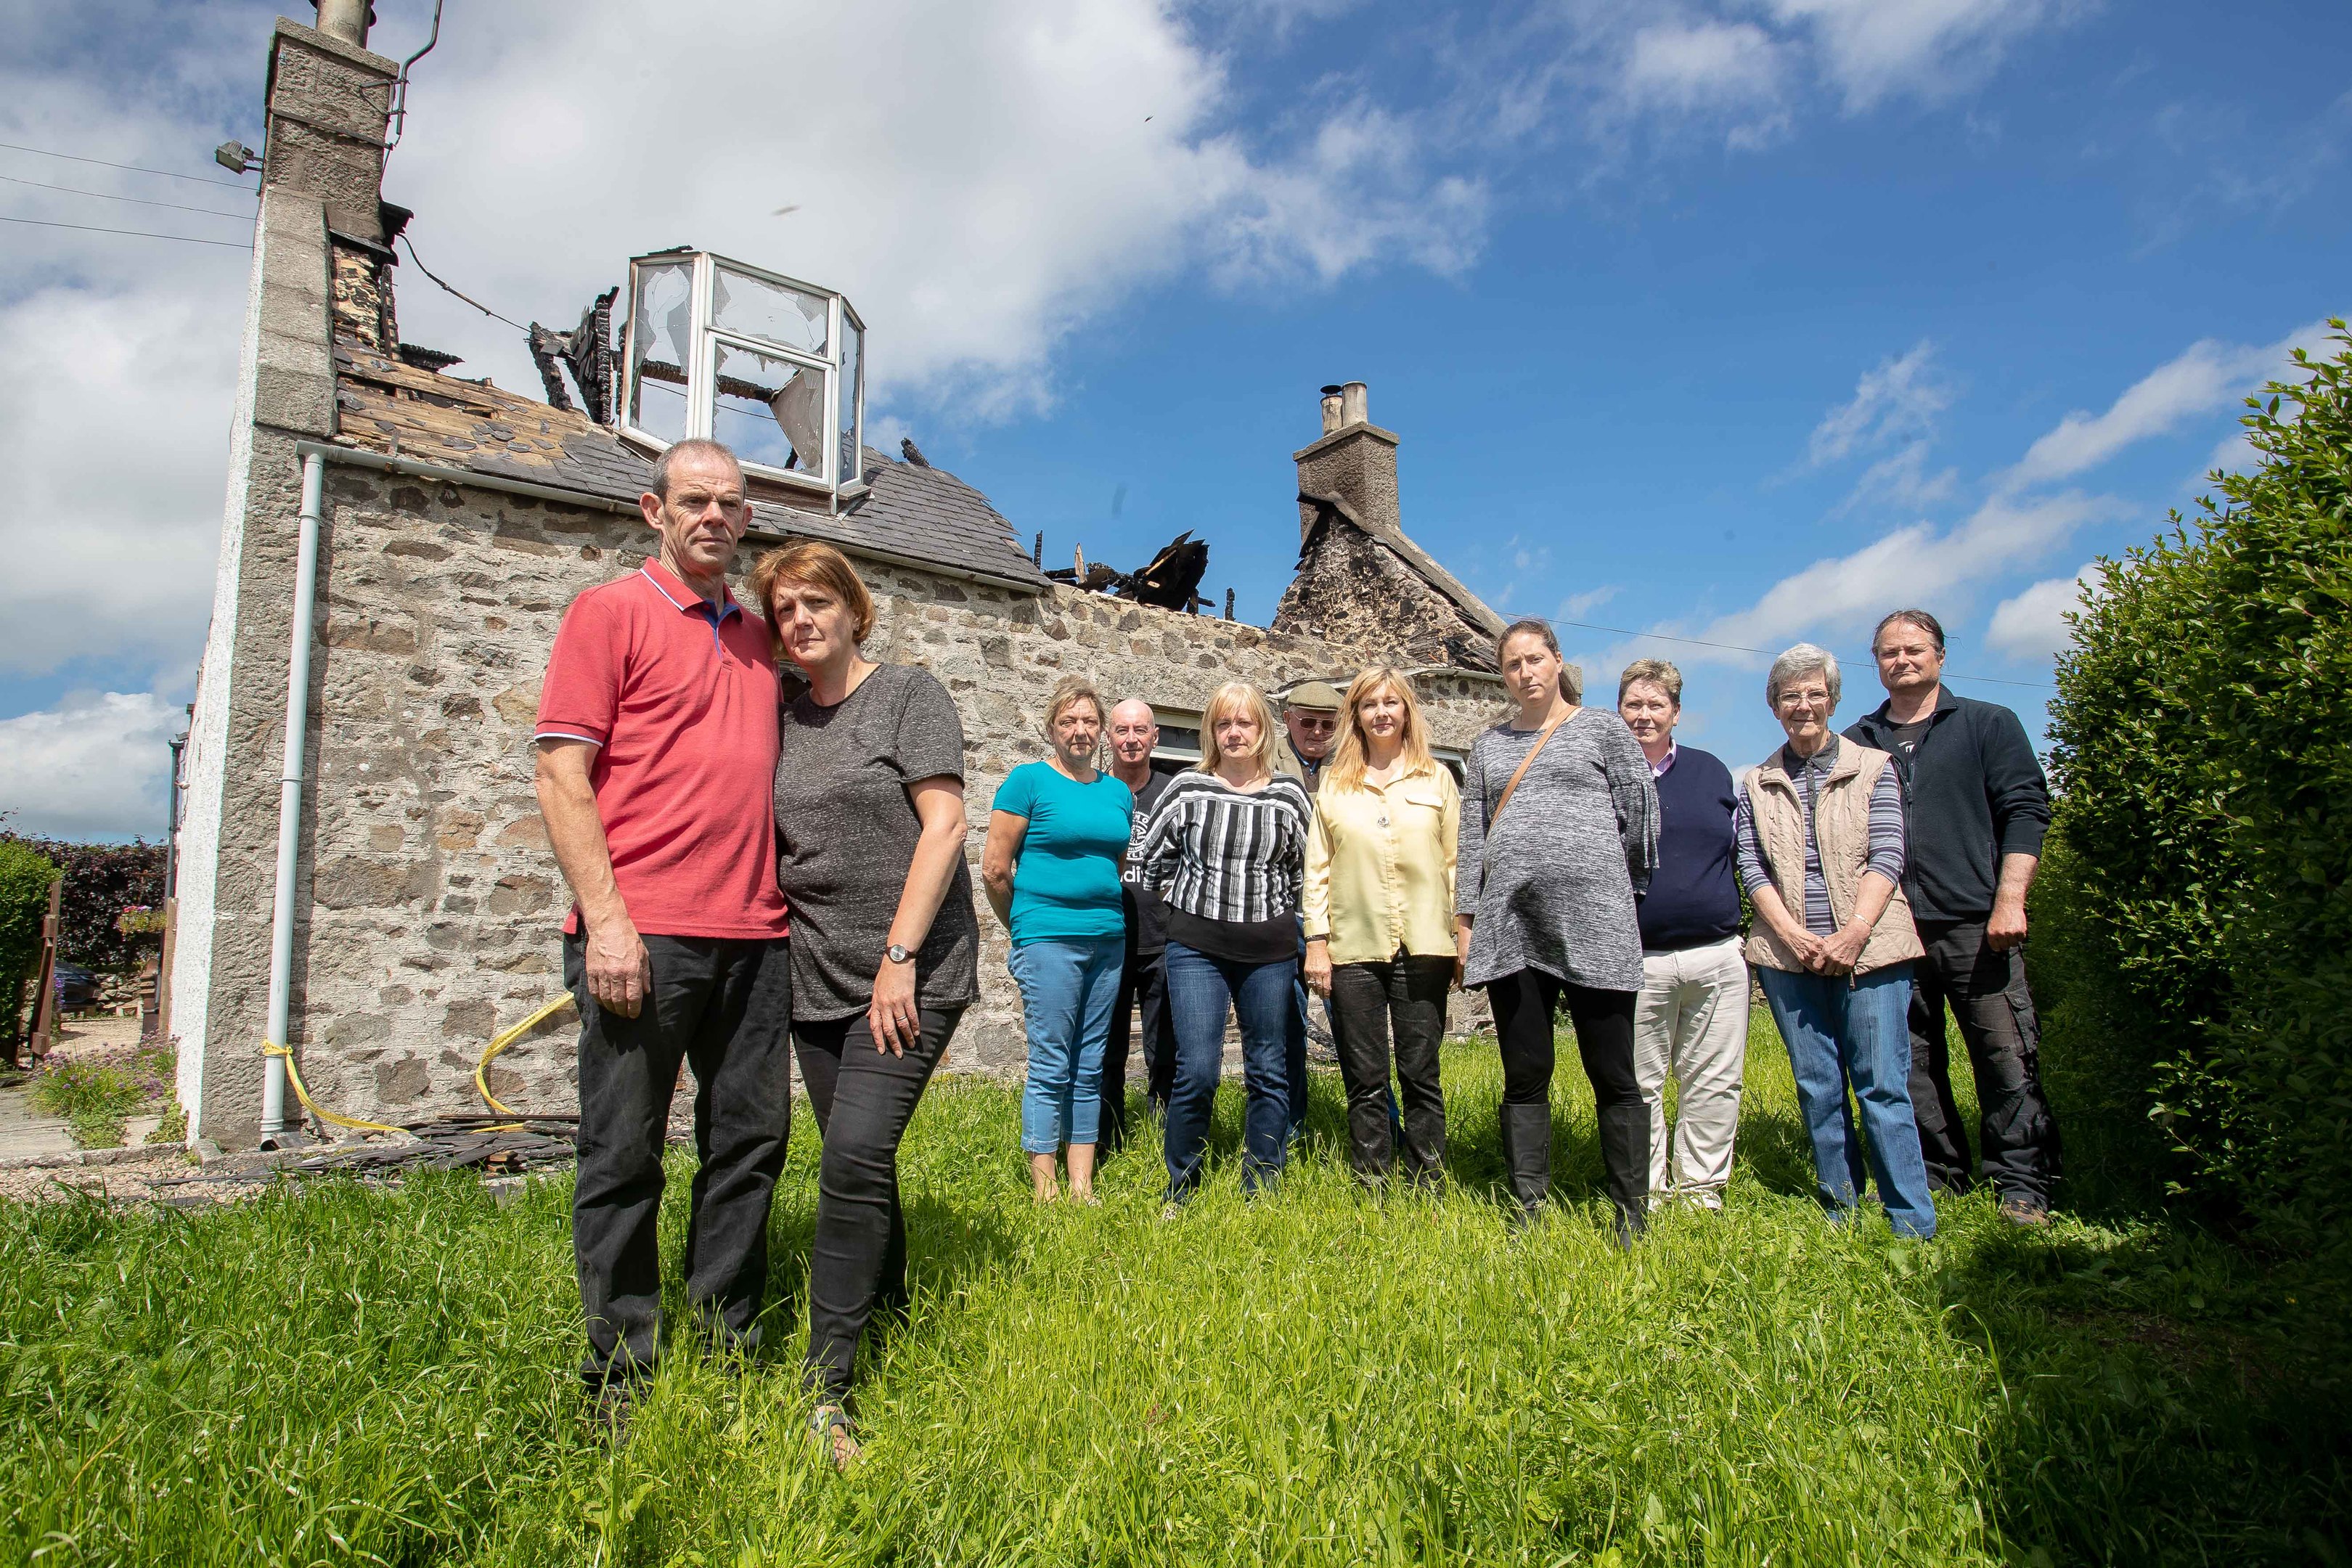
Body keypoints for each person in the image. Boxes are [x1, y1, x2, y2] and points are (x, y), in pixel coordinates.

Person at [532, 438, 793, 1440]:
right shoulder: (611, 613)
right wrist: (608, 923)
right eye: (694, 502)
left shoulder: (761, 639)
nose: (713, 518)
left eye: (730, 504)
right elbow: (562, 775)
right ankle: (620, 1376)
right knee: (624, 1153)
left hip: (756, 937)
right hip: (642, 935)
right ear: (655, 511)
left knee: (749, 1148)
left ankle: (727, 1348)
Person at [759, 539, 979, 1467]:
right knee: (862, 1159)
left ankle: (828, 1387)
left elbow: (947, 825)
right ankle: (886, 1308)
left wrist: (900, 957)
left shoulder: (908, 695)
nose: (802, 620)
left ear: (854, 609)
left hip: (907, 974)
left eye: (817, 603)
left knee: (851, 1157)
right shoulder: (780, 712)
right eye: (784, 611)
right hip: (815, 974)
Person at [1845, 609, 2062, 1225]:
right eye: (1889, 652)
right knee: (1908, 1064)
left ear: (1940, 655)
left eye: (1914, 649)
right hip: (1891, 930)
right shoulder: (1859, 743)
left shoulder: (1989, 725)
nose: (1902, 660)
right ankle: (1941, 1179)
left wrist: (2011, 899)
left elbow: (2025, 811)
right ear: (1877, 663)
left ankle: (2023, 1185)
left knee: (2004, 1054)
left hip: (1976, 923)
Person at [1455, 620, 1658, 1238]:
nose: (1526, 673)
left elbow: (1641, 818)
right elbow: (1472, 841)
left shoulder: (1602, 729)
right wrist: (1467, 921)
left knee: (1613, 1073)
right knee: (1525, 1073)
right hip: (1511, 927)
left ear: (1558, 661)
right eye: (1513, 664)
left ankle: (1630, 1211)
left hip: (1596, 926)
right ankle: (1528, 1206)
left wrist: (1609, 886)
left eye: (1535, 659)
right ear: (1505, 674)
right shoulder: (1488, 748)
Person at [1739, 644, 1936, 1240]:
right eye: (1790, 696)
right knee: (1818, 1085)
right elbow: (1752, 868)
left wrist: (1853, 932)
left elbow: (1888, 853)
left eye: (1814, 693)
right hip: (1788, 955)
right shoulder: (1757, 781)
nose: (1804, 706)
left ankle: (1910, 1221)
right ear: (1774, 707)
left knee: (1882, 1085)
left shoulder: (1873, 767)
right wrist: (1794, 935)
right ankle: (1842, 1209)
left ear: (1833, 699)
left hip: (1872, 951)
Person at [1138, 681, 1315, 1204]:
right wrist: (1189, 909)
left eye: (1245, 723)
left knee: (1268, 1067)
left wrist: (1289, 917)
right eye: (1224, 723)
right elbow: (1151, 863)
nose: (1234, 733)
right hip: (1196, 952)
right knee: (1197, 1070)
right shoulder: (1187, 788)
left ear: (1263, 730)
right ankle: (1181, 1188)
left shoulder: (1288, 794)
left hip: (1270, 953)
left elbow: (1309, 870)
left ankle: (1262, 1182)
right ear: (1211, 732)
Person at [1302, 667, 1458, 1189]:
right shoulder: (1336, 785)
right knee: (1365, 1077)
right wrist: (1316, 943)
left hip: (1425, 947)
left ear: (1407, 711)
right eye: (1370, 704)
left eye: (1392, 702)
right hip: (1353, 949)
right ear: (1357, 717)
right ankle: (1372, 1182)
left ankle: (1427, 1181)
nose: (1382, 712)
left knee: (1420, 1073)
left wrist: (1464, 938)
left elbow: (1457, 863)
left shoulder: (1436, 779)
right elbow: (1317, 869)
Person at [982, 677, 1134, 1204]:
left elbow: (1111, 867)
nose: (1080, 731)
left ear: (1101, 730)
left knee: (1091, 1063)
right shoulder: (1028, 782)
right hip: (1047, 940)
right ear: (1051, 727)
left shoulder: (1116, 792)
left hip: (1107, 943)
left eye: (1090, 721)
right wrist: (1024, 927)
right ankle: (1045, 1189)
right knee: (1052, 1062)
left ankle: (1082, 1186)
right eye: (1069, 721)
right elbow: (996, 870)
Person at [1618, 659, 1747, 1209]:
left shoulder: (1712, 772)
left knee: (1714, 1082)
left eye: (1656, 705)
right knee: (1640, 1084)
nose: (1645, 715)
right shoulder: (1602, 776)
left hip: (1715, 954)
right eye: (1634, 705)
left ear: (1676, 713)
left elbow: (1744, 850)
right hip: (1634, 958)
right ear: (1619, 710)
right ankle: (1647, 1191)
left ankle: (1701, 1192)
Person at [1101, 698, 1177, 1152]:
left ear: (1155, 738)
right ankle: (1107, 1137)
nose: (1131, 740)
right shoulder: (1093, 791)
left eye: (1140, 731)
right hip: (1108, 939)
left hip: (1164, 938)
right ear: (1110, 737)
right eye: (1122, 731)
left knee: (1165, 1048)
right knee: (1107, 1049)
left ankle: (1163, 1137)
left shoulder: (1176, 791)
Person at [1274, 680, 1343, 1139]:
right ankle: (1289, 1128)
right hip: (1282, 913)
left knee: (1357, 1031)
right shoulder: (1265, 758)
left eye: (1328, 724)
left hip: (1339, 916)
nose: (1317, 732)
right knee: (1285, 1032)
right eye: (1308, 722)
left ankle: (1380, 1131)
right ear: (1288, 721)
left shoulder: (1354, 762)